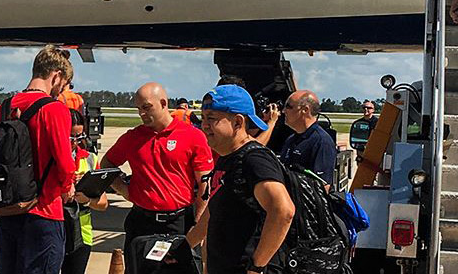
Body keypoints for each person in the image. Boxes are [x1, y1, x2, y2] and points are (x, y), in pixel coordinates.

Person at [100, 83, 213, 273]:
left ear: (163, 103)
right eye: (138, 109)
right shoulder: (133, 137)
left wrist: (197, 224)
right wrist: (126, 191)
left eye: (146, 107)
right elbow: (107, 164)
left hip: (179, 222)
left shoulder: (193, 136)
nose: (142, 114)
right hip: (142, 222)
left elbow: (205, 185)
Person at [0, 45, 76, 274]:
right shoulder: (54, 109)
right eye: (64, 86)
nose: (62, 92)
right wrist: (68, 187)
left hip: (9, 211)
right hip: (44, 213)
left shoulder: (3, 109)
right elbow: (65, 163)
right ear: (57, 76)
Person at [188, 84, 294, 274]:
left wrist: (256, 267)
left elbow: (283, 211)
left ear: (238, 122)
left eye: (211, 118)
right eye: (203, 118)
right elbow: (213, 211)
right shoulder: (228, 157)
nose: (204, 125)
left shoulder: (254, 159)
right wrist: (185, 247)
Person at [62, 109, 107, 274]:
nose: (75, 142)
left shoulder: (89, 159)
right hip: (56, 227)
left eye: (79, 137)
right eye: (71, 137)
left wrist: (87, 199)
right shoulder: (48, 158)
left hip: (82, 232)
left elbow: (103, 203)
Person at [278, 90, 338, 188]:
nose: (284, 111)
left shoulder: (321, 142)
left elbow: (323, 187)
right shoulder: (291, 139)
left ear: (305, 110)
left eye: (289, 107)